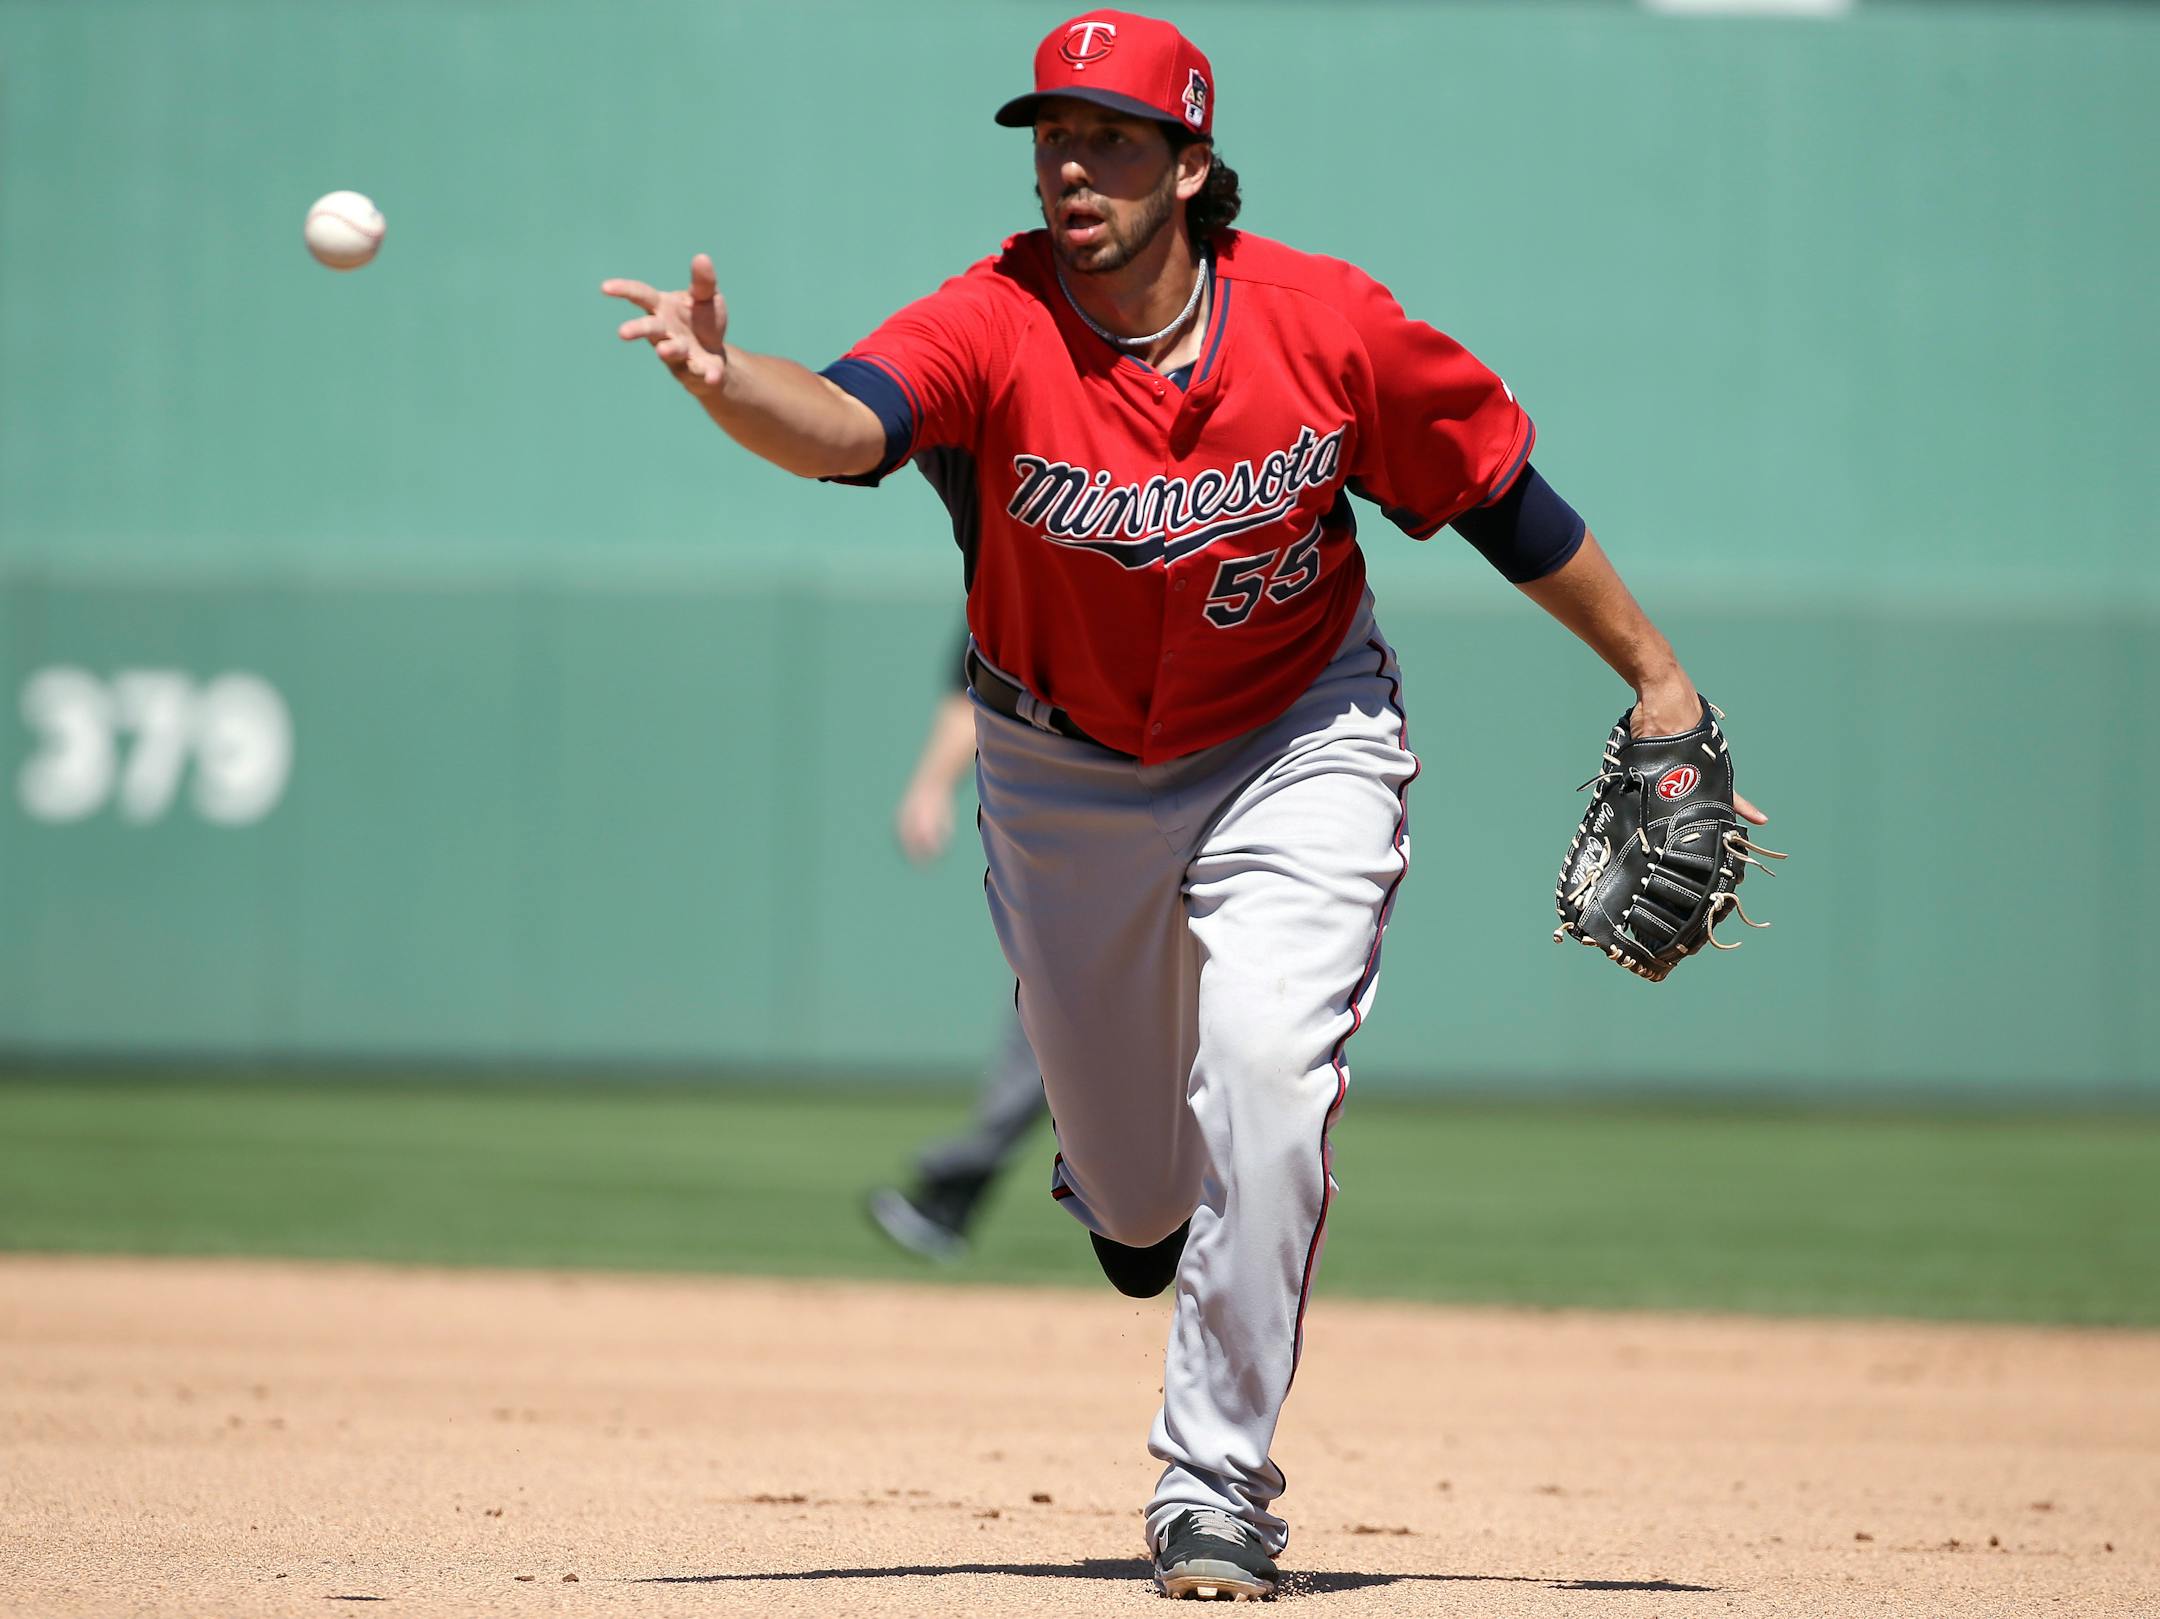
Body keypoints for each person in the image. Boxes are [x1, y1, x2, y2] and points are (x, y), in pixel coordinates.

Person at [603, 9, 1767, 1599]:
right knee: (1145, 1202)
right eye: (1051, 137)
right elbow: (851, 423)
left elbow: (1498, 492)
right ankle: (1138, 1205)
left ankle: (1214, 1482)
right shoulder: (995, 315)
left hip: (1300, 733)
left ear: (1192, 164)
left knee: (1272, 1075)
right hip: (1059, 765)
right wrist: (727, 377)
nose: (1071, 166)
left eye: (1112, 140)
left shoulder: (1326, 326)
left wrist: (1659, 676)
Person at [866, 635, 1048, 1263]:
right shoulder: (1015, 556)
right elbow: (980, 673)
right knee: (1060, 1015)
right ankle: (953, 1193)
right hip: (1096, 817)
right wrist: (929, 785)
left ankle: (954, 1192)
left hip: (1212, 792)